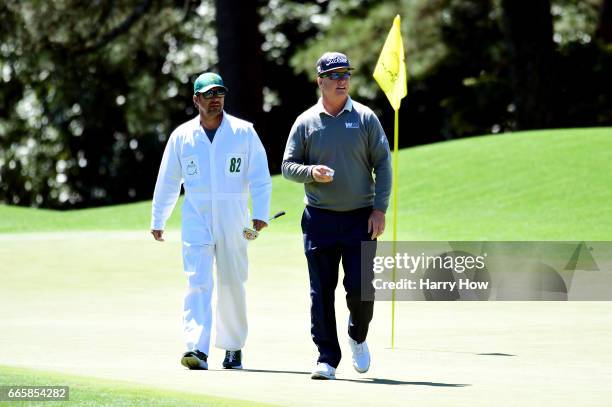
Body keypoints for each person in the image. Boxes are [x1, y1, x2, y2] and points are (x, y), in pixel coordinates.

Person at [282, 52, 392, 380]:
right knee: (321, 291)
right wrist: (311, 172)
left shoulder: (365, 118)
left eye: (346, 74)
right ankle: (326, 358)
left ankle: (357, 335)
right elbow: (288, 166)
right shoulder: (305, 122)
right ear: (320, 81)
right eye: (335, 75)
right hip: (319, 219)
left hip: (361, 218)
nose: (342, 80)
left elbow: (383, 165)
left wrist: (379, 209)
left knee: (362, 289)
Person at [151, 72, 272, 370]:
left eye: (219, 93)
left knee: (232, 282)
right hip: (196, 216)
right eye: (208, 94)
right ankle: (197, 349)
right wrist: (159, 218)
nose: (215, 98)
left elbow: (260, 177)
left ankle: (232, 347)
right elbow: (168, 180)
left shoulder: (244, 132)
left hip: (235, 216)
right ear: (196, 100)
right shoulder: (182, 136)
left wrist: (260, 214)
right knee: (197, 281)